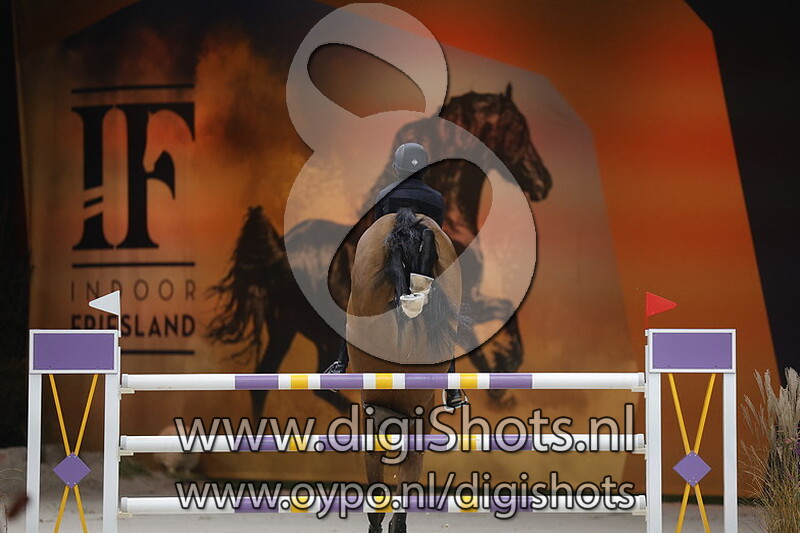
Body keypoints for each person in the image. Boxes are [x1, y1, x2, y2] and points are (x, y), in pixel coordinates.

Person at [324, 142, 468, 410]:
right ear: (425, 170)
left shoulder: (384, 194)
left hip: (393, 262)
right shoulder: (436, 199)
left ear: (396, 169)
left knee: (357, 302)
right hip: (424, 262)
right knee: (445, 310)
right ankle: (451, 385)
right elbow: (434, 232)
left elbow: (382, 235)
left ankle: (340, 364)